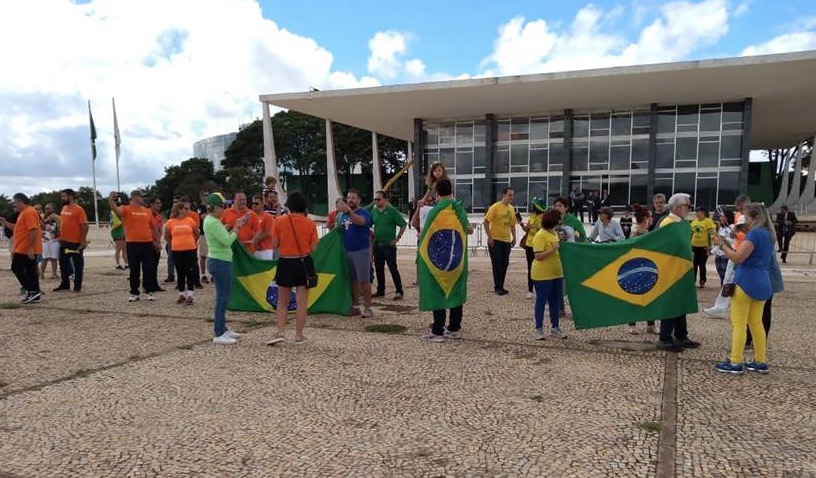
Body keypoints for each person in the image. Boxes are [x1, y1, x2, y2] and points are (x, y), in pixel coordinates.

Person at [712, 203, 774, 374]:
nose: (744, 220)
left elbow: (738, 258)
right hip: (763, 281)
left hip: (746, 282)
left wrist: (721, 245)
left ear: (753, 218)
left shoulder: (754, 234)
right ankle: (760, 360)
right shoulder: (768, 234)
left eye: (746, 217)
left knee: (739, 323)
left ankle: (735, 362)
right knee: (756, 323)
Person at [419, 179, 473, 342]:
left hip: (438, 261)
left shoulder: (434, 211)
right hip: (457, 259)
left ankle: (437, 331)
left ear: (437, 193)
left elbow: (425, 235)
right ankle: (454, 328)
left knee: (438, 291)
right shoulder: (460, 210)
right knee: (456, 290)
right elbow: (468, 230)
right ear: (451, 190)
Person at [265, 192, 318, 346]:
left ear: (289, 205)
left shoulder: (279, 221)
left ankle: (280, 332)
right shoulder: (310, 223)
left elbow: (274, 245)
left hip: (286, 263)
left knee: (282, 302)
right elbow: (314, 247)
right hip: (304, 262)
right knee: (302, 302)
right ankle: (299, 335)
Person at [655, 193, 700, 352]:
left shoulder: (681, 223)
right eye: (687, 206)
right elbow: (664, 246)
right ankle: (665, 338)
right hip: (670, 270)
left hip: (681, 269)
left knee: (681, 302)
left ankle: (681, 335)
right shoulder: (668, 223)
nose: (688, 209)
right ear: (678, 207)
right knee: (670, 303)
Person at [203, 193, 248, 345]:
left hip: (219, 260)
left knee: (223, 296)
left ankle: (222, 328)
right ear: (214, 207)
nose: (224, 209)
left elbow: (222, 239)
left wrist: (230, 228)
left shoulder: (212, 221)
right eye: (222, 206)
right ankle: (218, 332)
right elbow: (227, 241)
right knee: (222, 298)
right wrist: (237, 228)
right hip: (220, 261)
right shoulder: (213, 222)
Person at [703, 194, 752, 318]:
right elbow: (734, 235)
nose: (739, 212)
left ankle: (725, 307)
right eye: (738, 209)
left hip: (741, 253)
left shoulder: (747, 218)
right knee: (728, 280)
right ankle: (720, 306)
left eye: (741, 209)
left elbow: (738, 232)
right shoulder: (741, 217)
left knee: (733, 280)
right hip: (737, 250)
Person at [109, 190, 161, 302]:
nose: (143, 198)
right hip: (133, 243)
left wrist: (157, 241)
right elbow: (116, 211)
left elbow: (153, 227)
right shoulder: (126, 208)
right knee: (134, 269)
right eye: (142, 196)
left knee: (149, 269)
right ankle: (134, 292)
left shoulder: (147, 211)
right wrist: (111, 201)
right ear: (134, 197)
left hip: (147, 243)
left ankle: (149, 291)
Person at [336, 189, 374, 318]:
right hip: (348, 251)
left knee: (364, 280)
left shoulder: (364, 212)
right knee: (353, 280)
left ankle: (368, 307)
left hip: (361, 251)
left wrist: (349, 211)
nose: (350, 200)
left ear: (359, 200)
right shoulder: (343, 216)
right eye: (348, 198)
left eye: (353, 198)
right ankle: (355, 305)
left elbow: (361, 222)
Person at [531, 209, 568, 340]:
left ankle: (555, 327)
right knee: (541, 301)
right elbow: (538, 256)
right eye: (558, 220)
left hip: (556, 273)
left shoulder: (554, 233)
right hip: (542, 275)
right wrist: (551, 249)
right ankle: (538, 329)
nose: (560, 222)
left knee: (555, 301)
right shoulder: (540, 235)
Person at [1, 193, 43, 303]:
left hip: (25, 248)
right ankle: (35, 292)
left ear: (20, 201)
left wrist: (30, 248)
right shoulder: (23, 213)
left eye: (15, 202)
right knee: (30, 270)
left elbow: (33, 230)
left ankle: (32, 290)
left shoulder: (29, 212)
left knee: (16, 267)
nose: (14, 205)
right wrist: (5, 223)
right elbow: (18, 228)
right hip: (22, 247)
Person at [370, 190, 407, 300]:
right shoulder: (374, 212)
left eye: (379, 199)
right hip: (377, 244)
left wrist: (397, 238)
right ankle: (381, 290)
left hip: (388, 246)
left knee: (392, 268)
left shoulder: (392, 211)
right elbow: (370, 224)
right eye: (375, 199)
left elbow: (403, 224)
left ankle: (399, 291)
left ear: (385, 200)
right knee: (379, 268)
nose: (376, 201)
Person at [627, 204, 657, 335]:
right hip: (636, 269)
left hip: (647, 268)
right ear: (646, 218)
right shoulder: (636, 232)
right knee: (635, 297)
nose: (652, 219)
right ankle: (632, 324)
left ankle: (651, 323)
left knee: (649, 296)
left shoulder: (646, 232)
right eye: (650, 217)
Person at [51, 189, 89, 293]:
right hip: (64, 241)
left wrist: (83, 240)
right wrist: (59, 235)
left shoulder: (78, 209)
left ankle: (77, 286)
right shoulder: (64, 208)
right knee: (63, 263)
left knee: (77, 265)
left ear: (70, 196)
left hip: (75, 242)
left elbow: (84, 225)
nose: (62, 198)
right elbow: (63, 223)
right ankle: (65, 284)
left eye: (63, 196)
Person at [164, 202, 200, 305]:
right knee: (180, 272)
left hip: (190, 249)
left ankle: (190, 295)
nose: (187, 210)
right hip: (176, 250)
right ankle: (181, 294)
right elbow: (166, 236)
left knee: (190, 272)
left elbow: (196, 234)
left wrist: (191, 242)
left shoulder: (190, 220)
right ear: (179, 209)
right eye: (185, 208)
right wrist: (173, 244)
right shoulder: (170, 222)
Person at [484, 187, 517, 295]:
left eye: (512, 195)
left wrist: (514, 237)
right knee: (497, 263)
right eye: (509, 195)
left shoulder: (512, 209)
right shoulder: (495, 207)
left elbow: (512, 225)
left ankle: (501, 285)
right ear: (503, 195)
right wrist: (490, 237)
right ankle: (497, 287)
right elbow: (486, 222)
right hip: (495, 240)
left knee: (505, 263)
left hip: (506, 241)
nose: (511, 197)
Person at [521, 197, 546, 300]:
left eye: (533, 204)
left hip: (539, 245)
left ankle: (541, 289)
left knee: (541, 267)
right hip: (529, 244)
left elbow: (545, 229)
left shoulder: (544, 216)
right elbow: (527, 229)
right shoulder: (531, 215)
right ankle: (530, 290)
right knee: (530, 267)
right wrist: (524, 226)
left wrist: (535, 227)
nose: (531, 206)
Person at [690, 207, 716, 288]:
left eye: (698, 212)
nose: (696, 214)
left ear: (703, 212)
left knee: (702, 264)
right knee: (693, 264)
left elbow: (711, 234)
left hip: (703, 247)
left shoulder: (708, 221)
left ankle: (702, 280)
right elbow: (691, 234)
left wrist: (710, 246)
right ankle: (692, 281)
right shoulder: (693, 222)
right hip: (694, 246)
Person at [711, 211, 735, 286]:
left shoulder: (732, 227)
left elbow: (731, 241)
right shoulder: (722, 228)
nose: (721, 218)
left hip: (726, 255)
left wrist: (719, 237)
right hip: (719, 254)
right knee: (722, 278)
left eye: (723, 216)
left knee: (726, 278)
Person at [250, 195, 276, 260]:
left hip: (265, 250)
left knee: (267, 269)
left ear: (262, 205)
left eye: (256, 203)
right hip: (253, 249)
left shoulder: (268, 217)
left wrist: (255, 241)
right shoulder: (250, 217)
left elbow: (268, 232)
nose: (254, 205)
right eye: (253, 203)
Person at [163, 195, 182, 284]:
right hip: (171, 238)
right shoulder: (169, 213)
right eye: (174, 202)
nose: (175, 203)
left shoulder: (183, 213)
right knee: (170, 258)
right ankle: (171, 275)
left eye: (177, 202)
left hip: (180, 239)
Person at [40, 203, 60, 280]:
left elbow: (60, 229)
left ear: (53, 209)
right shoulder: (42, 217)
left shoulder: (58, 218)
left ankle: (54, 274)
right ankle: (42, 274)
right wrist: (46, 220)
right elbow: (39, 226)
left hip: (55, 241)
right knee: (44, 258)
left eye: (48, 208)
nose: (47, 210)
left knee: (54, 258)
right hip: (45, 241)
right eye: (46, 208)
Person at [195, 189, 210, 284]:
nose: (207, 196)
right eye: (205, 195)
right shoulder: (200, 207)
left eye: (208, 195)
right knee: (203, 255)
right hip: (204, 233)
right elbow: (204, 217)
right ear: (201, 196)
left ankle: (212, 274)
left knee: (212, 255)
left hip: (212, 233)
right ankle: (203, 275)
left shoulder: (211, 206)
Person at [110, 196, 128, 270]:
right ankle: (117, 264)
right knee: (119, 248)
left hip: (122, 231)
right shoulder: (113, 213)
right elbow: (114, 223)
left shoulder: (119, 211)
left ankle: (126, 263)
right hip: (118, 232)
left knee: (124, 249)